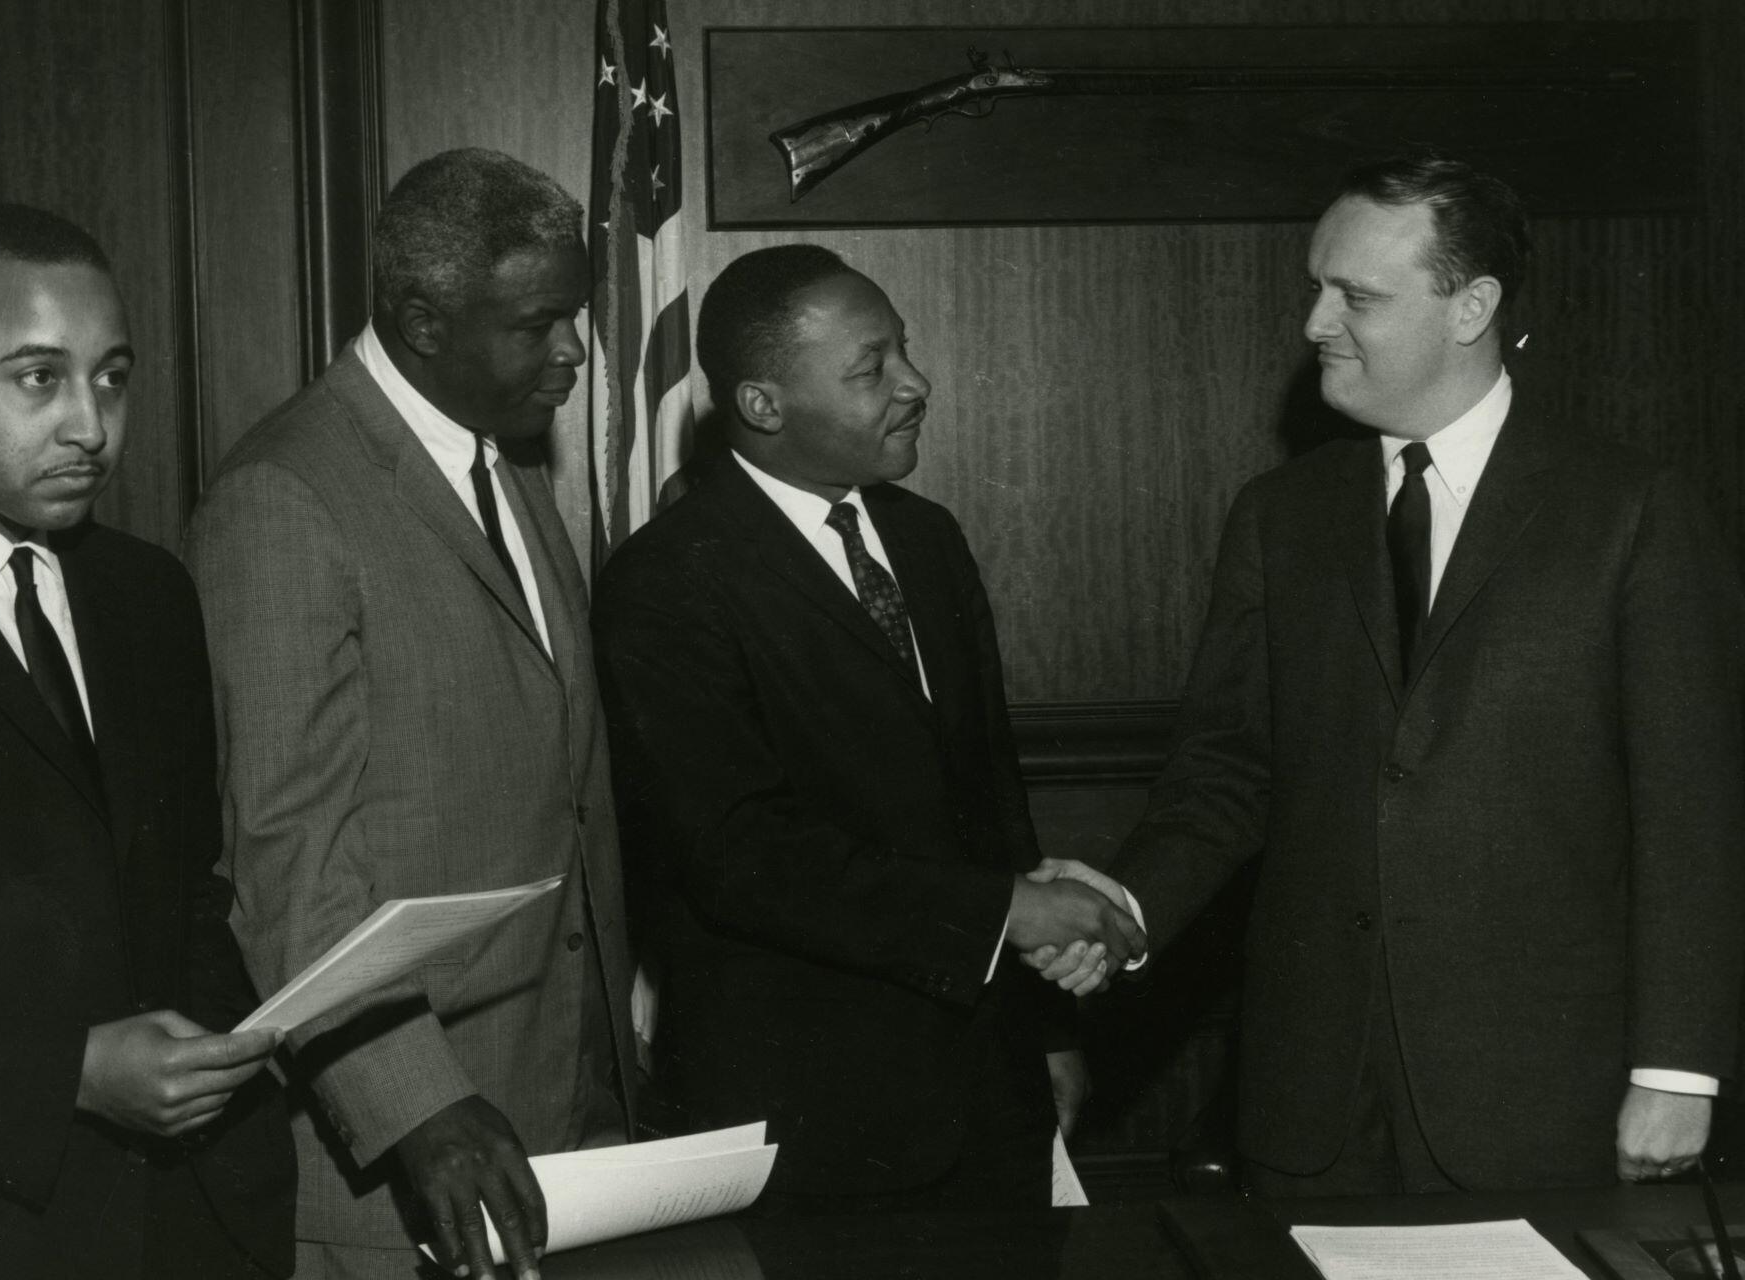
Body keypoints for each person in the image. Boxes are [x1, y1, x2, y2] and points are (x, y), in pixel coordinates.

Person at [1103, 154, 1745, 1195]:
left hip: (1544, 1101)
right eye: (1315, 286)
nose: (1314, 322)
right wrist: (1123, 903)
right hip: (1311, 1101)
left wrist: (1678, 1068)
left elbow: (1695, 816)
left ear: (1469, 307)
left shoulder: (1630, 513)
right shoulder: (1280, 516)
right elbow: (1227, 769)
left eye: (1354, 295)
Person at [591, 245, 1144, 1210]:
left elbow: (991, 803)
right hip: (806, 1121)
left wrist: (1043, 1032)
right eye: (870, 369)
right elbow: (738, 855)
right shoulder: (666, 583)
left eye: (905, 352)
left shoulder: (929, 541)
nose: (915, 383)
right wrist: (1000, 914)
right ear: (762, 406)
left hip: (987, 1095)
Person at [186, 148, 632, 1280]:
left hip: (569, 1123)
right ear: (424, 321)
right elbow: (287, 862)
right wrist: (416, 1102)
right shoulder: (284, 499)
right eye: (542, 323)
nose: (575, 350)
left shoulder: (508, 465)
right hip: (417, 1164)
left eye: (575, 316)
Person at [0, 203, 294, 1278]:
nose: (91, 422)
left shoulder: (146, 593)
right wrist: (67, 1074)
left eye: (113, 376)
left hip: (179, 1226)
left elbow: (185, 894)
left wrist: (220, 1067)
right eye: (38, 376)